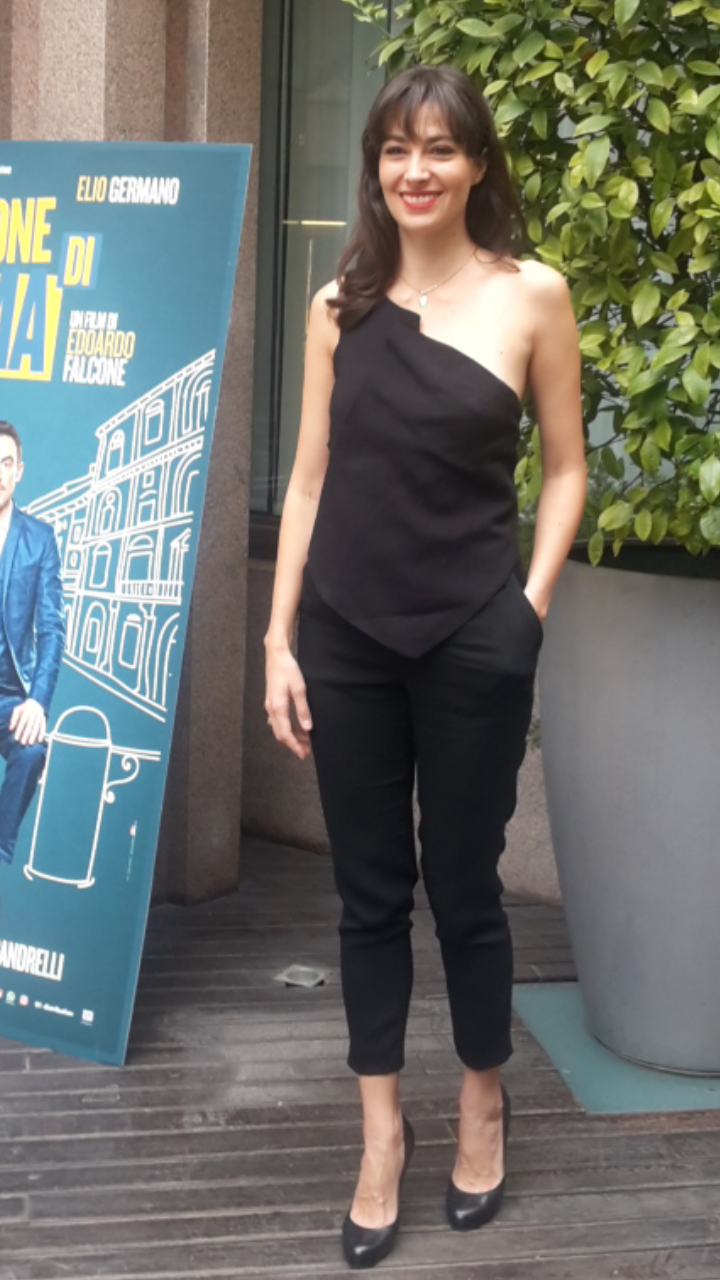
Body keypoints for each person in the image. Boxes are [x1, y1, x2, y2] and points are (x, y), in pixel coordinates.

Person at [265, 66, 586, 1269]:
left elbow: (567, 467)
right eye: (397, 148)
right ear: (376, 166)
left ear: (478, 165)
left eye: (441, 148)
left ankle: (483, 1104)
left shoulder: (532, 295)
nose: (416, 170)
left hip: (472, 640)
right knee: (367, 894)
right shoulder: (337, 305)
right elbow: (306, 482)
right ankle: (382, 1136)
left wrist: (527, 610)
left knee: (465, 887)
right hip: (345, 635)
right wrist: (277, 638)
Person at [0, 421, 65, 869]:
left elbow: (52, 631)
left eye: (6, 463)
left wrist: (37, 702)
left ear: (19, 471)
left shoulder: (39, 539)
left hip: (9, 696)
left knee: (32, 751)